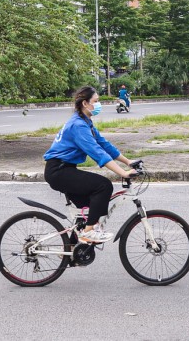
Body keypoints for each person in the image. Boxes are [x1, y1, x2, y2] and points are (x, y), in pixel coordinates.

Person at [44, 86, 138, 243]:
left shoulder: (85, 122)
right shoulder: (78, 126)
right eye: (96, 101)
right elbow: (97, 152)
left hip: (64, 169)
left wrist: (129, 162)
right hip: (58, 171)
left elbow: (104, 145)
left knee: (90, 208)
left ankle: (73, 247)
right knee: (103, 186)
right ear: (85, 104)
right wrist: (122, 173)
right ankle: (88, 233)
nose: (99, 104)